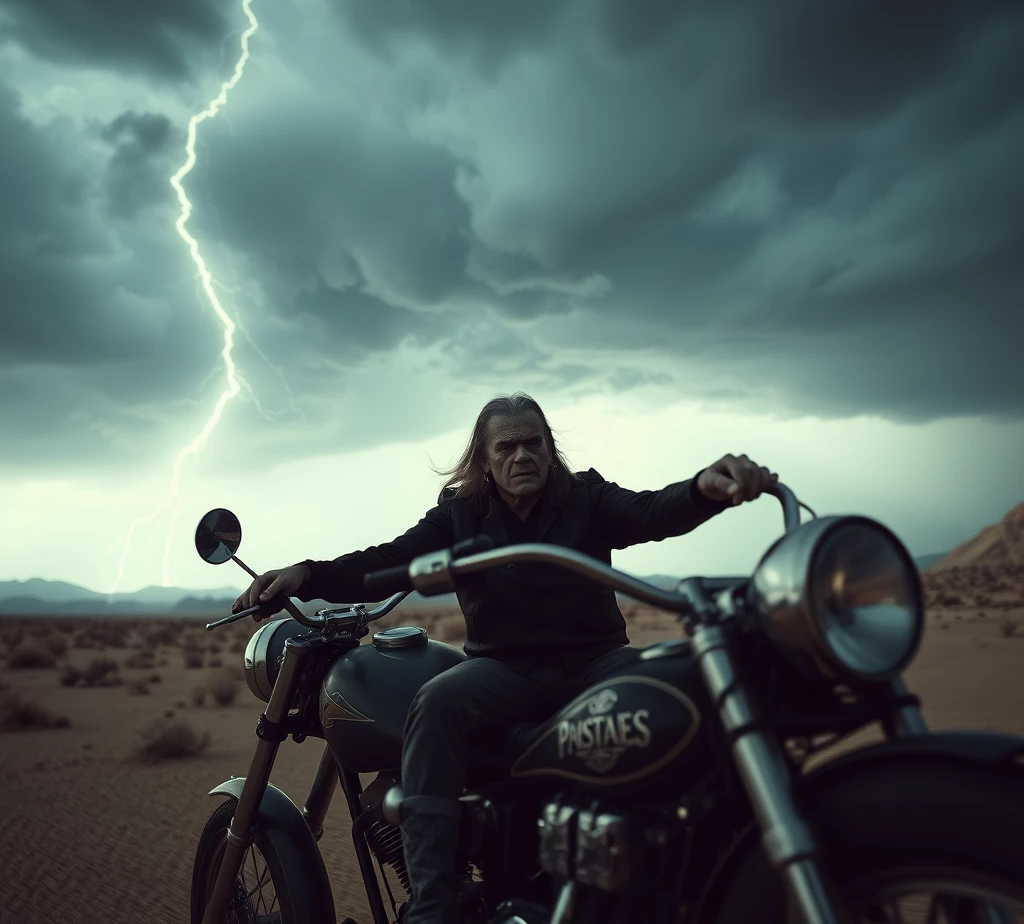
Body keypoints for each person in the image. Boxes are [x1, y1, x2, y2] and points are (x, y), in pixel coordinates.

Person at [233, 392, 778, 923]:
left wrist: (705, 490)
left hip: (595, 663)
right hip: (505, 670)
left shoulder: (585, 496)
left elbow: (651, 511)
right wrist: (309, 573)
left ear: (549, 448)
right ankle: (433, 902)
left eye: (534, 444)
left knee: (675, 689)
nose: (523, 456)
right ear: (485, 461)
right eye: (508, 447)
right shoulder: (460, 514)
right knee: (436, 703)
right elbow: (394, 558)